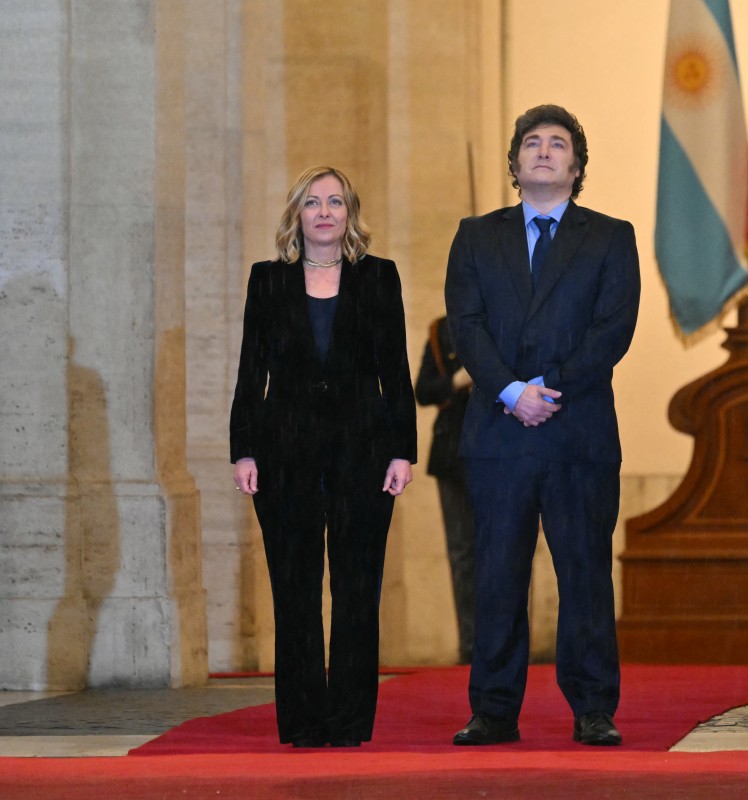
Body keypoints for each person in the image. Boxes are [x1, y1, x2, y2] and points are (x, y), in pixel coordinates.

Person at [444, 104, 640, 746]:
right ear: (515, 163)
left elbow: (613, 330)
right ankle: (494, 709)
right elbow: (464, 324)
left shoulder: (611, 236)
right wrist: (508, 390)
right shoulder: (476, 235)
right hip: (499, 435)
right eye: (532, 143)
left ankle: (592, 708)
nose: (545, 152)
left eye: (559, 144)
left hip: (576, 429)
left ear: (577, 165)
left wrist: (545, 390)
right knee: (498, 573)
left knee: (583, 572)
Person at [230, 165, 417, 748]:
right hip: (283, 453)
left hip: (364, 452)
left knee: (358, 588)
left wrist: (402, 451)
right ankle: (305, 722)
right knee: (295, 588)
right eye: (313, 203)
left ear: (350, 214)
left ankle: (349, 721)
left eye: (336, 202)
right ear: (297, 215)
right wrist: (243, 450)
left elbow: (396, 370)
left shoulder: (379, 278)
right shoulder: (267, 281)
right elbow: (249, 373)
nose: (325, 212)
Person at [415, 315, 476, 665]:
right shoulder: (441, 330)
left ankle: (506, 643)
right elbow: (423, 390)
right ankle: (470, 644)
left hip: (499, 450)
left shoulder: (508, 315)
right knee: (462, 552)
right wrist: (456, 381)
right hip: (452, 451)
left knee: (506, 549)